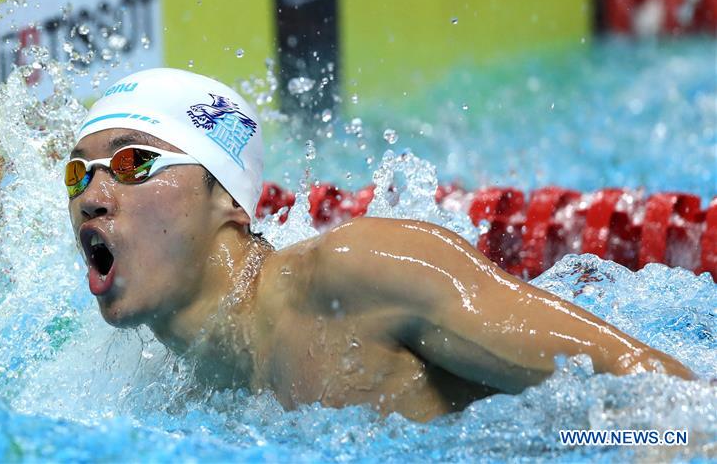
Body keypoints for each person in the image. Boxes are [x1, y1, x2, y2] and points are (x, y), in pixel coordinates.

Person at [66, 68, 694, 422]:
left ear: (228, 199)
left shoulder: (354, 275)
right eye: (77, 174)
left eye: (131, 162)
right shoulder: (172, 394)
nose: (92, 196)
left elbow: (664, 394)